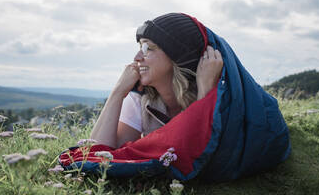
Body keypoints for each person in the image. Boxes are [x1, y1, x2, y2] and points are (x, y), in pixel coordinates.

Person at [90, 13, 223, 148]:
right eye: (140, 48)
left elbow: (200, 155)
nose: (137, 57)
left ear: (176, 56)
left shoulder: (219, 94)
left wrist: (205, 94)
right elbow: (97, 155)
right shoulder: (140, 99)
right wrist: (117, 93)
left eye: (147, 48)